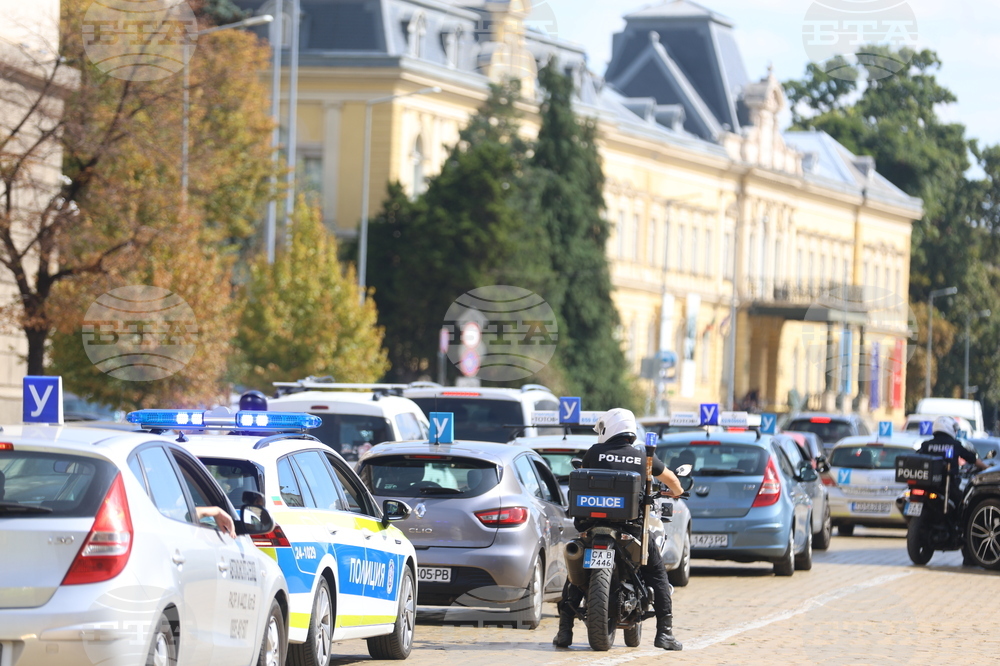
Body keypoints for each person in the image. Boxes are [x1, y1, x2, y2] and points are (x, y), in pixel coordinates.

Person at [553, 408, 684, 651]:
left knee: (575, 576)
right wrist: (677, 492)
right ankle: (664, 633)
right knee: (658, 574)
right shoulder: (644, 456)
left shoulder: (594, 452)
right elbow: (673, 482)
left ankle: (564, 631)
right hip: (630, 532)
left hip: (593, 528)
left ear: (609, 428)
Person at [917, 415, 987, 512]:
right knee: (962, 505)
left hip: (927, 484)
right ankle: (958, 526)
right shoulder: (954, 444)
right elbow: (971, 458)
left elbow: (917, 458)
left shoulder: (926, 444)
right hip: (947, 485)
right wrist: (986, 467)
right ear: (948, 428)